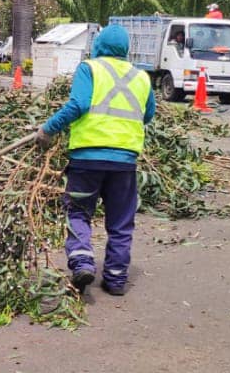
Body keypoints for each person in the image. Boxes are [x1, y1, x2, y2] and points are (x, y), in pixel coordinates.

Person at [37, 24, 155, 297]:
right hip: (125, 161)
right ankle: (115, 279)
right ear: (126, 50)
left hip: (87, 159)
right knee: (120, 222)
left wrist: (48, 129)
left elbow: (78, 104)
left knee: (78, 212)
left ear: (98, 45)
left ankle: (82, 261)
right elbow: (147, 115)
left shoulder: (89, 68)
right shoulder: (142, 77)